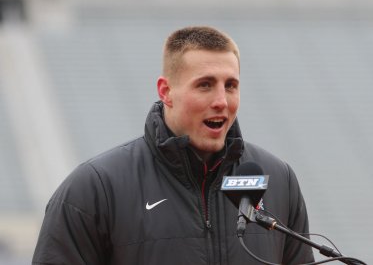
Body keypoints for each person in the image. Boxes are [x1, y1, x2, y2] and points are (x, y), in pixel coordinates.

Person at [32, 26, 314, 264]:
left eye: (230, 85)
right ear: (166, 91)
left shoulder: (279, 180)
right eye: (205, 85)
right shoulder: (95, 188)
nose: (221, 101)